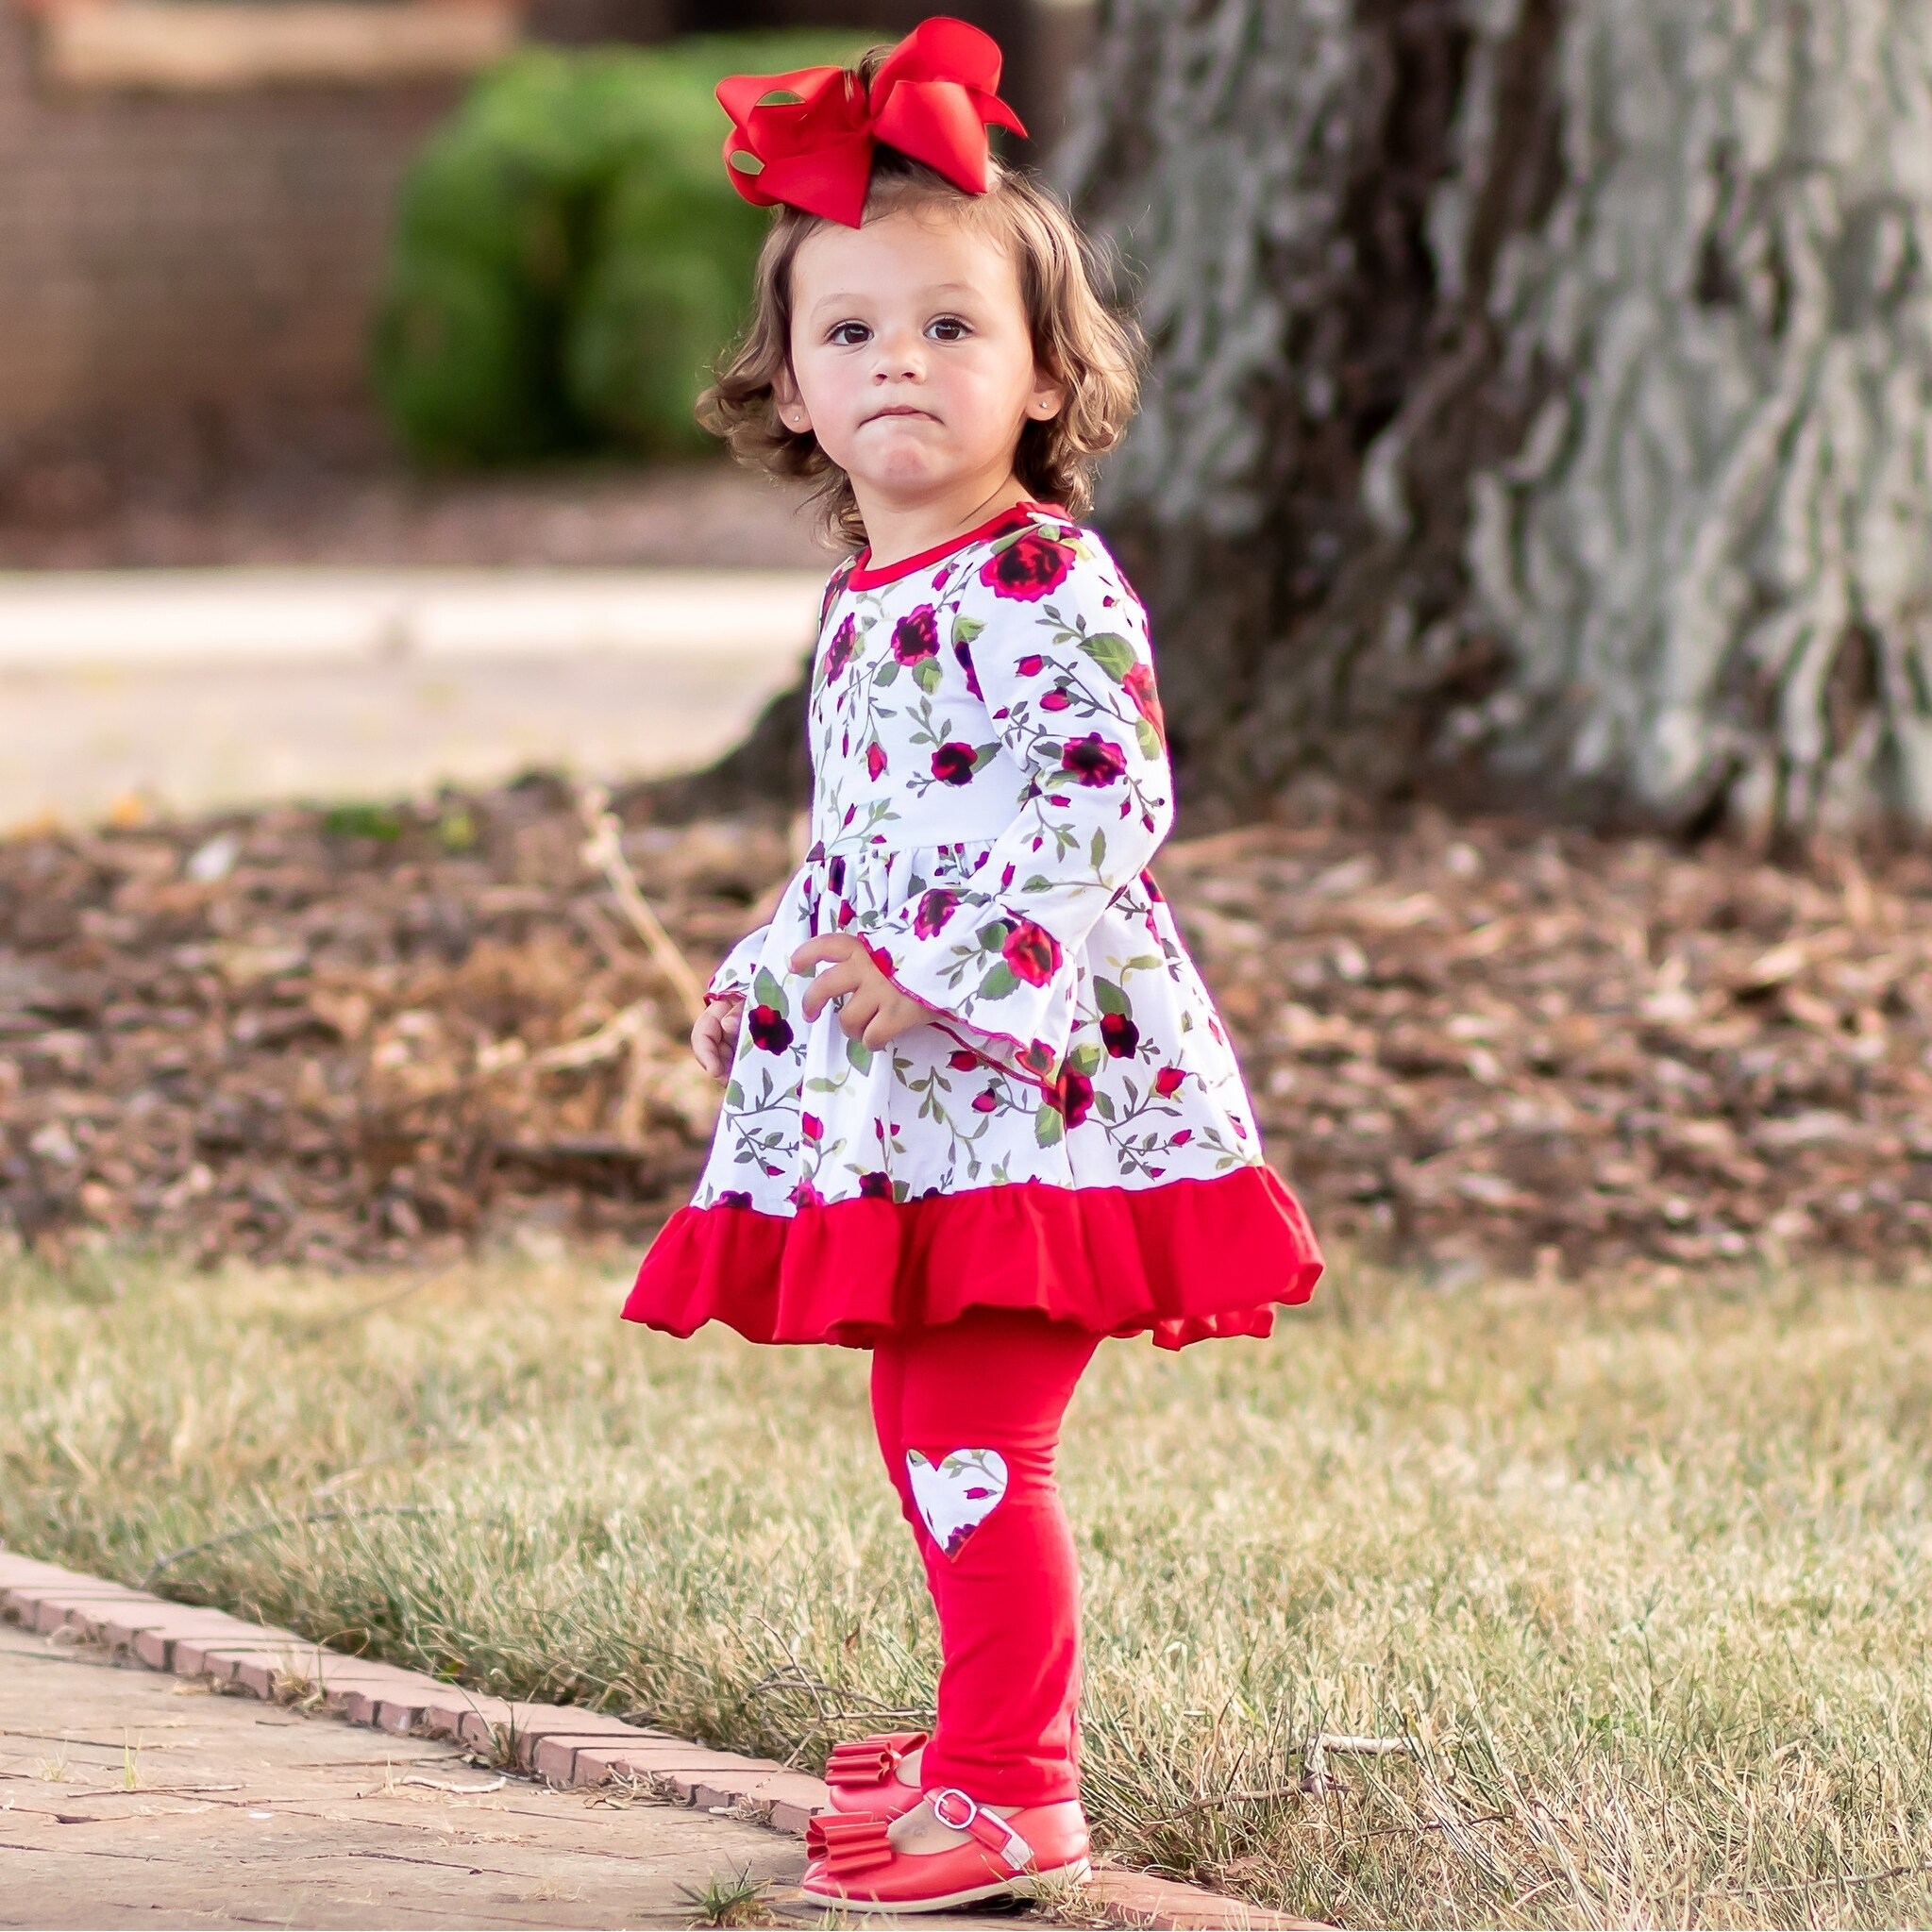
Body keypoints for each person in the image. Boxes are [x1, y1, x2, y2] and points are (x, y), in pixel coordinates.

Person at [622, 16, 1323, 1913]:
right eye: (850, 333)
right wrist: (770, 967)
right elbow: (867, 842)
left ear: (1039, 376)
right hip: (929, 1103)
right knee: (927, 1423)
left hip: (1040, 1094)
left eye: (950, 327)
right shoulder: (877, 593)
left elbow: (1107, 798)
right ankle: (970, 1741)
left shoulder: (1034, 582)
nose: (898, 364)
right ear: (791, 383)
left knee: (968, 1435)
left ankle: (1017, 1788)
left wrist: (950, 964)